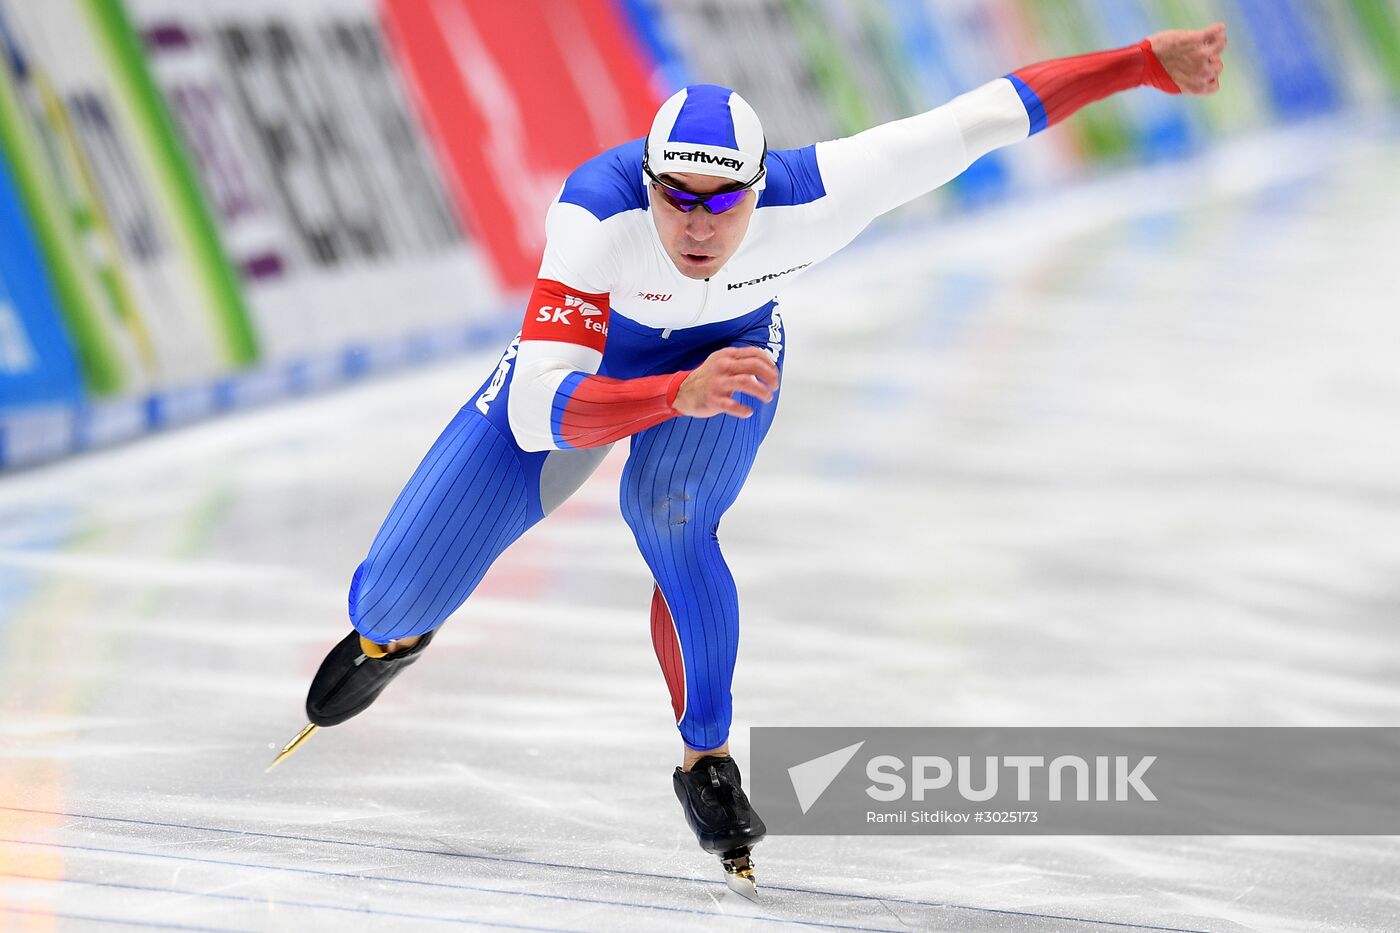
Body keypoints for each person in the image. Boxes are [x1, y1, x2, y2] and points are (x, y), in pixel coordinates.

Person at [293, 24, 1227, 897]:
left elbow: (987, 114)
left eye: (724, 202)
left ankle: (707, 756)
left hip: (732, 355)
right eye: (678, 200)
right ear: (648, 184)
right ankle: (395, 639)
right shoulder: (593, 211)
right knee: (386, 601)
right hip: (597, 370)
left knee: (668, 510)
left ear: (759, 189)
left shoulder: (820, 192)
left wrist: (1144, 62)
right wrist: (669, 391)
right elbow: (542, 412)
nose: (698, 225)